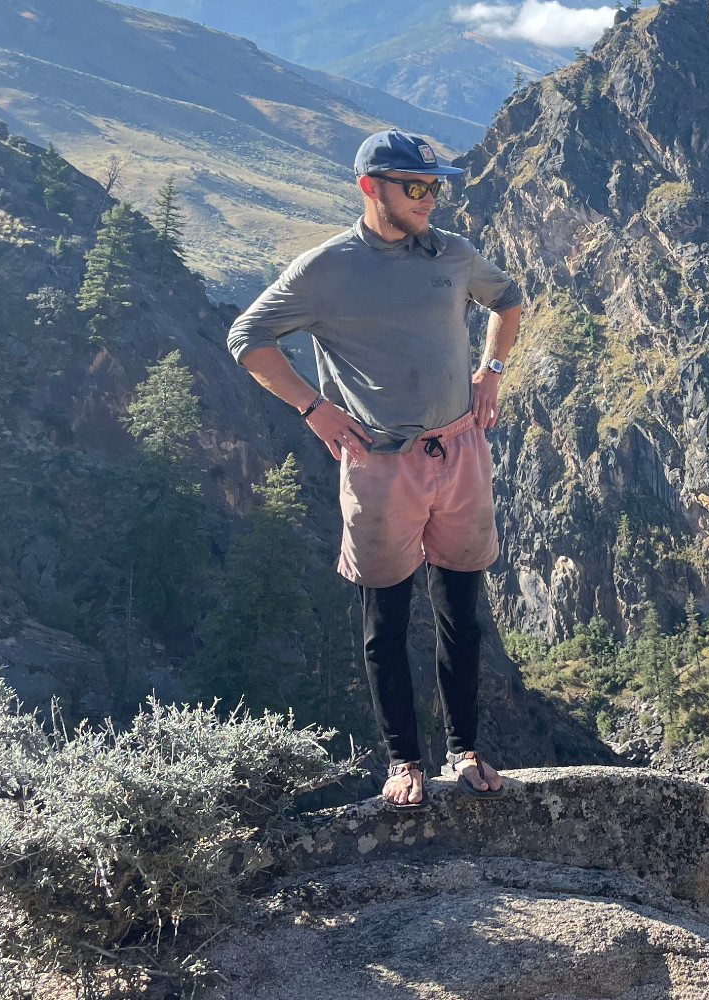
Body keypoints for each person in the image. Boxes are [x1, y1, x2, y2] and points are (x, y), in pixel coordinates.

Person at [226, 129, 524, 807]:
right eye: (414, 187)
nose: (429, 199)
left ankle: (467, 751)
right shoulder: (326, 270)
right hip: (380, 465)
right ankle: (403, 762)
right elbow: (247, 338)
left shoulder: (452, 255)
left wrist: (492, 371)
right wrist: (312, 408)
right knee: (385, 622)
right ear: (370, 188)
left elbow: (507, 301)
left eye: (434, 186)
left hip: (460, 451)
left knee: (462, 614)